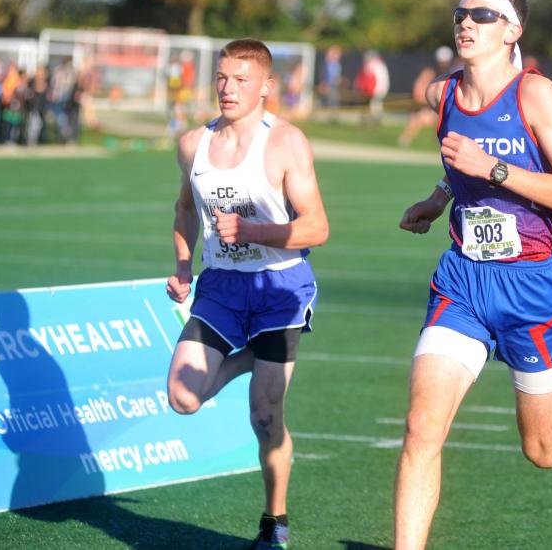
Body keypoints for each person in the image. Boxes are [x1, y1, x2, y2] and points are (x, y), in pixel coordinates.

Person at [393, 0, 552, 550]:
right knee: (421, 429)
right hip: (462, 281)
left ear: (512, 30)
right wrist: (436, 200)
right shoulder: (443, 94)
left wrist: (495, 169)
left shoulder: (535, 95)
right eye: (461, 13)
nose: (466, 22)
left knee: (543, 450)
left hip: (530, 286)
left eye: (482, 15)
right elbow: (459, 163)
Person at [165, 38, 329, 550]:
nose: (228, 89)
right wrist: (184, 267)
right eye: (222, 78)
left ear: (266, 86)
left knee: (264, 415)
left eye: (241, 80)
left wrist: (253, 232)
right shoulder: (193, 144)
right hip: (221, 288)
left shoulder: (285, 142)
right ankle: (255, 353)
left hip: (280, 287)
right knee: (183, 396)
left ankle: (273, 522)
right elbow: (186, 210)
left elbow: (317, 228)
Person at [398, 46, 454, 147]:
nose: (443, 64)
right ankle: (405, 140)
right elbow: (418, 93)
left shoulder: (454, 73)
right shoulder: (429, 73)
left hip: (446, 110)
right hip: (430, 108)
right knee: (419, 118)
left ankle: (441, 142)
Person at [355, 50, 390, 126]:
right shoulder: (369, 65)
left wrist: (376, 91)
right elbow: (362, 78)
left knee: (375, 106)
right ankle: (367, 122)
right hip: (367, 91)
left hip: (375, 91)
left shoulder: (378, 66)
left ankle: (375, 122)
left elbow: (380, 80)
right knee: (367, 107)